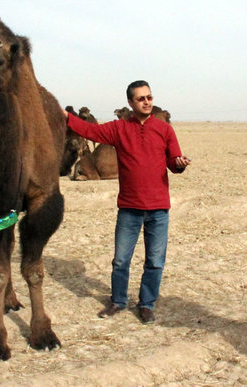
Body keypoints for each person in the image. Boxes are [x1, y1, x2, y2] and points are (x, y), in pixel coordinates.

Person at [63, 80, 191, 324]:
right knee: (121, 260)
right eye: (141, 98)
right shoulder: (119, 129)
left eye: (149, 97)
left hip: (158, 209)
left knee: (154, 262)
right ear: (131, 103)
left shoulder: (164, 130)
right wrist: (65, 116)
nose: (147, 102)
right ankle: (118, 301)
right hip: (129, 209)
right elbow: (89, 131)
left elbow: (173, 162)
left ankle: (146, 304)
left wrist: (180, 164)